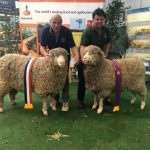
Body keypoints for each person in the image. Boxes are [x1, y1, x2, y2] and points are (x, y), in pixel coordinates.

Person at [40, 14, 79, 111]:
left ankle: (65, 102)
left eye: (59, 23)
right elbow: (42, 46)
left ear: (62, 23)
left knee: (64, 80)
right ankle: (55, 100)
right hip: (52, 60)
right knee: (54, 79)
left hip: (64, 60)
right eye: (54, 22)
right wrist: (45, 54)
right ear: (50, 22)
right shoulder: (45, 31)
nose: (56, 25)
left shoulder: (66, 31)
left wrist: (77, 56)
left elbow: (72, 46)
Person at [77, 8, 111, 109]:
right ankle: (80, 100)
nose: (99, 21)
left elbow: (108, 43)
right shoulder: (88, 31)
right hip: (87, 58)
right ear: (93, 20)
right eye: (97, 19)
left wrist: (105, 55)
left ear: (104, 19)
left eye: (101, 19)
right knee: (83, 79)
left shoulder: (106, 30)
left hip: (99, 60)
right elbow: (82, 46)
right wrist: (83, 59)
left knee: (104, 77)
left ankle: (105, 97)